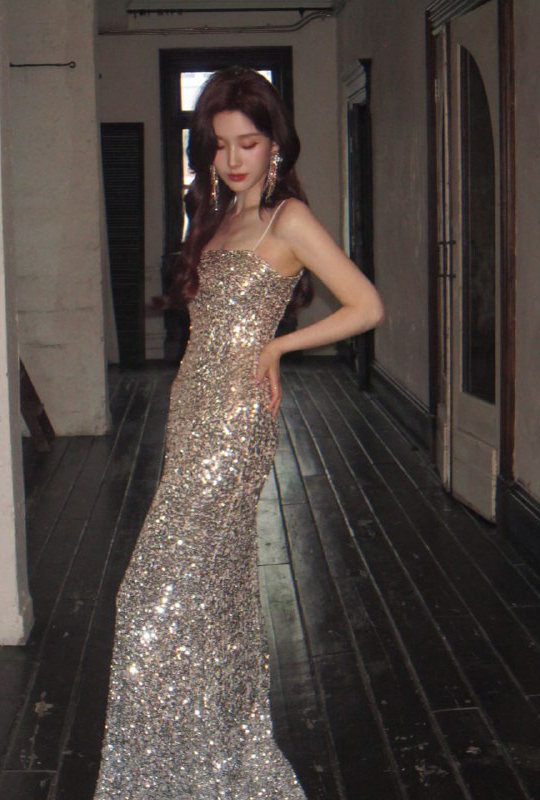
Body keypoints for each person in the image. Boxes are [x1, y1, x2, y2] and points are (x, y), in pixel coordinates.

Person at [93, 67, 384, 799]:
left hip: (234, 426)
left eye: (247, 143)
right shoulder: (217, 217)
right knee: (211, 592)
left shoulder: (289, 219)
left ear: (274, 142)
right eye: (219, 144)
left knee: (147, 597)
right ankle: (206, 756)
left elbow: (367, 305)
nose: (231, 159)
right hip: (191, 412)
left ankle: (165, 770)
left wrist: (278, 346)